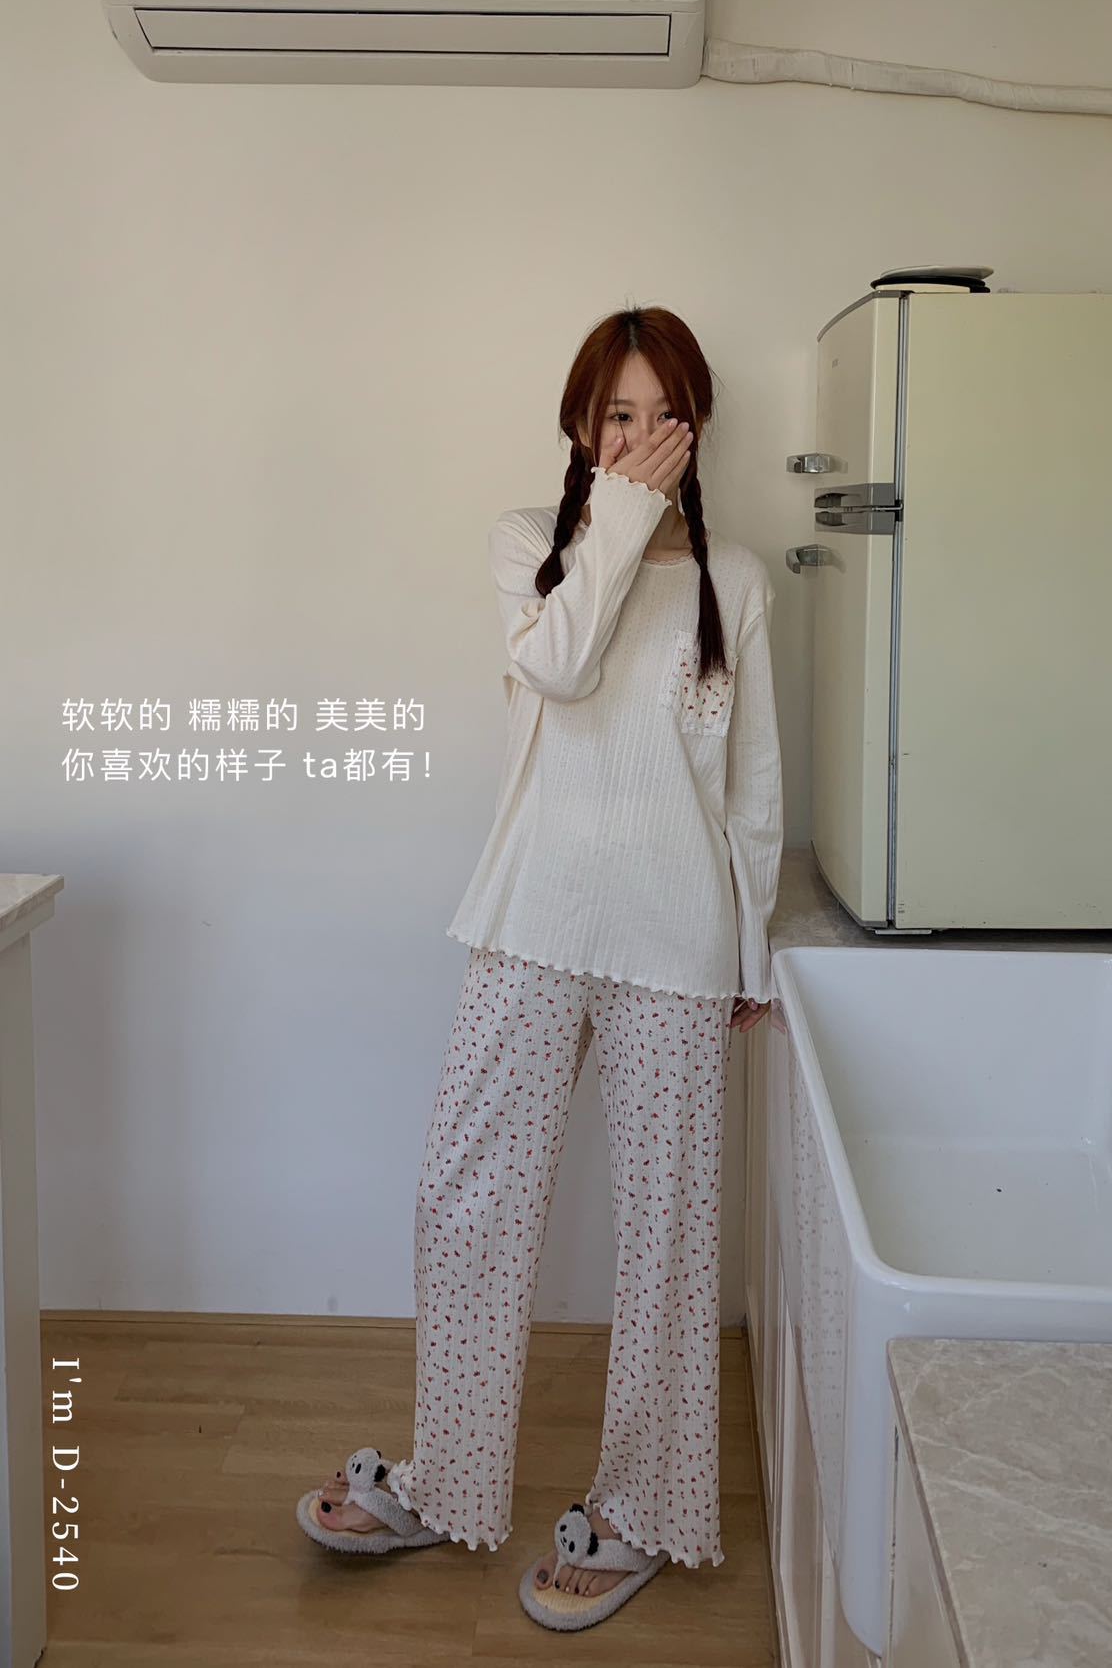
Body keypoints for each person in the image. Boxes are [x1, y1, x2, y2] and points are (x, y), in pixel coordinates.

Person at [295, 304, 784, 1632]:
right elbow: (562, 671)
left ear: (698, 427)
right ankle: (447, 1480)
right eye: (616, 414)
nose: (640, 437)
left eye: (664, 415)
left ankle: (643, 1512)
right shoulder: (532, 547)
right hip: (532, 918)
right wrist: (622, 514)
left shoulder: (737, 579)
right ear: (580, 422)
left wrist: (752, 946)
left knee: (668, 1236)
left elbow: (751, 787)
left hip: (678, 942)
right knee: (468, 1199)